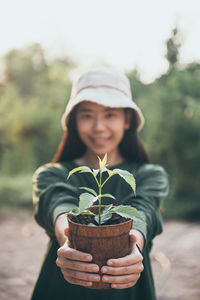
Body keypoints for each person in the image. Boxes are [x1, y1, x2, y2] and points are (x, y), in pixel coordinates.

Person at [31, 67, 169, 300]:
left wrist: (134, 245)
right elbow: (58, 203)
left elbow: (145, 209)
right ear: (74, 121)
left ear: (127, 120)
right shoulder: (51, 173)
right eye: (87, 115)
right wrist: (68, 241)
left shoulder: (149, 174)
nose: (98, 127)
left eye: (110, 114)